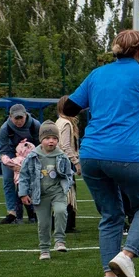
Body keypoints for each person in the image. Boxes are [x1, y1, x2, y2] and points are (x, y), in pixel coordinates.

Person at [60, 29, 139, 277]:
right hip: (125, 153)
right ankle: (127, 255)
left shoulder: (97, 74)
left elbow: (69, 108)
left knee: (111, 215)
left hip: (91, 154)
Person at [17, 122, 75, 260]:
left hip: (58, 192)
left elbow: (68, 173)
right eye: (47, 138)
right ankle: (44, 249)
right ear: (41, 139)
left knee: (61, 211)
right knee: (44, 223)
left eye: (54, 138)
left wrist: (67, 185)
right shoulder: (32, 156)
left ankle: (60, 240)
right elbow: (24, 175)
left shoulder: (62, 156)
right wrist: (23, 193)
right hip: (40, 195)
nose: (51, 141)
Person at [0, 104, 42, 225]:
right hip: (11, 155)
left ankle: (37, 211)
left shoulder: (35, 125)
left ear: (26, 115)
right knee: (8, 180)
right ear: (10, 117)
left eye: (21, 117)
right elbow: (2, 152)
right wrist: (12, 165)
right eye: (16, 118)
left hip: (31, 154)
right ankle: (12, 212)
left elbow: (41, 145)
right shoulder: (5, 129)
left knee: (36, 180)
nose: (19, 121)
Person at [54, 96, 81, 234]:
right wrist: (76, 162)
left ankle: (58, 223)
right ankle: (67, 225)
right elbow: (65, 146)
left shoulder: (58, 122)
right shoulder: (66, 123)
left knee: (59, 193)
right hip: (64, 163)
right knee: (69, 193)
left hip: (56, 162)